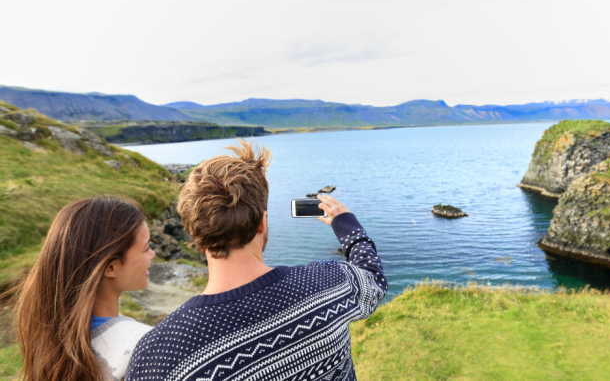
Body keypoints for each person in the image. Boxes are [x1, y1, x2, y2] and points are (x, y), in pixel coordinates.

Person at [125, 139, 387, 381]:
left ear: (193, 232)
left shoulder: (155, 357)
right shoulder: (331, 284)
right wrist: (347, 225)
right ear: (262, 223)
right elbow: (373, 279)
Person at [14, 196, 155, 381]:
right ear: (110, 267)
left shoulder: (46, 333)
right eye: (146, 248)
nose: (152, 255)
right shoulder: (144, 343)